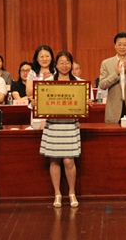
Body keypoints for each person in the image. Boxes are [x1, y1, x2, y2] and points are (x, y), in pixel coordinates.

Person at [37, 51, 90, 209]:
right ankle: (57, 193)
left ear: (71, 64)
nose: (64, 65)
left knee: (69, 160)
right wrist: (36, 102)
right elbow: (39, 102)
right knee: (54, 160)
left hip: (70, 124)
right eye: (61, 62)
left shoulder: (79, 82)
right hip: (53, 124)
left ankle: (72, 192)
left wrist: (87, 103)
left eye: (67, 62)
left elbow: (87, 103)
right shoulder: (47, 82)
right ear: (56, 64)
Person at [99, 32, 126, 123]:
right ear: (115, 46)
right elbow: (102, 85)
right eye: (119, 44)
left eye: (125, 45)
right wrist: (116, 74)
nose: (122, 47)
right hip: (113, 109)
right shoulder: (106, 63)